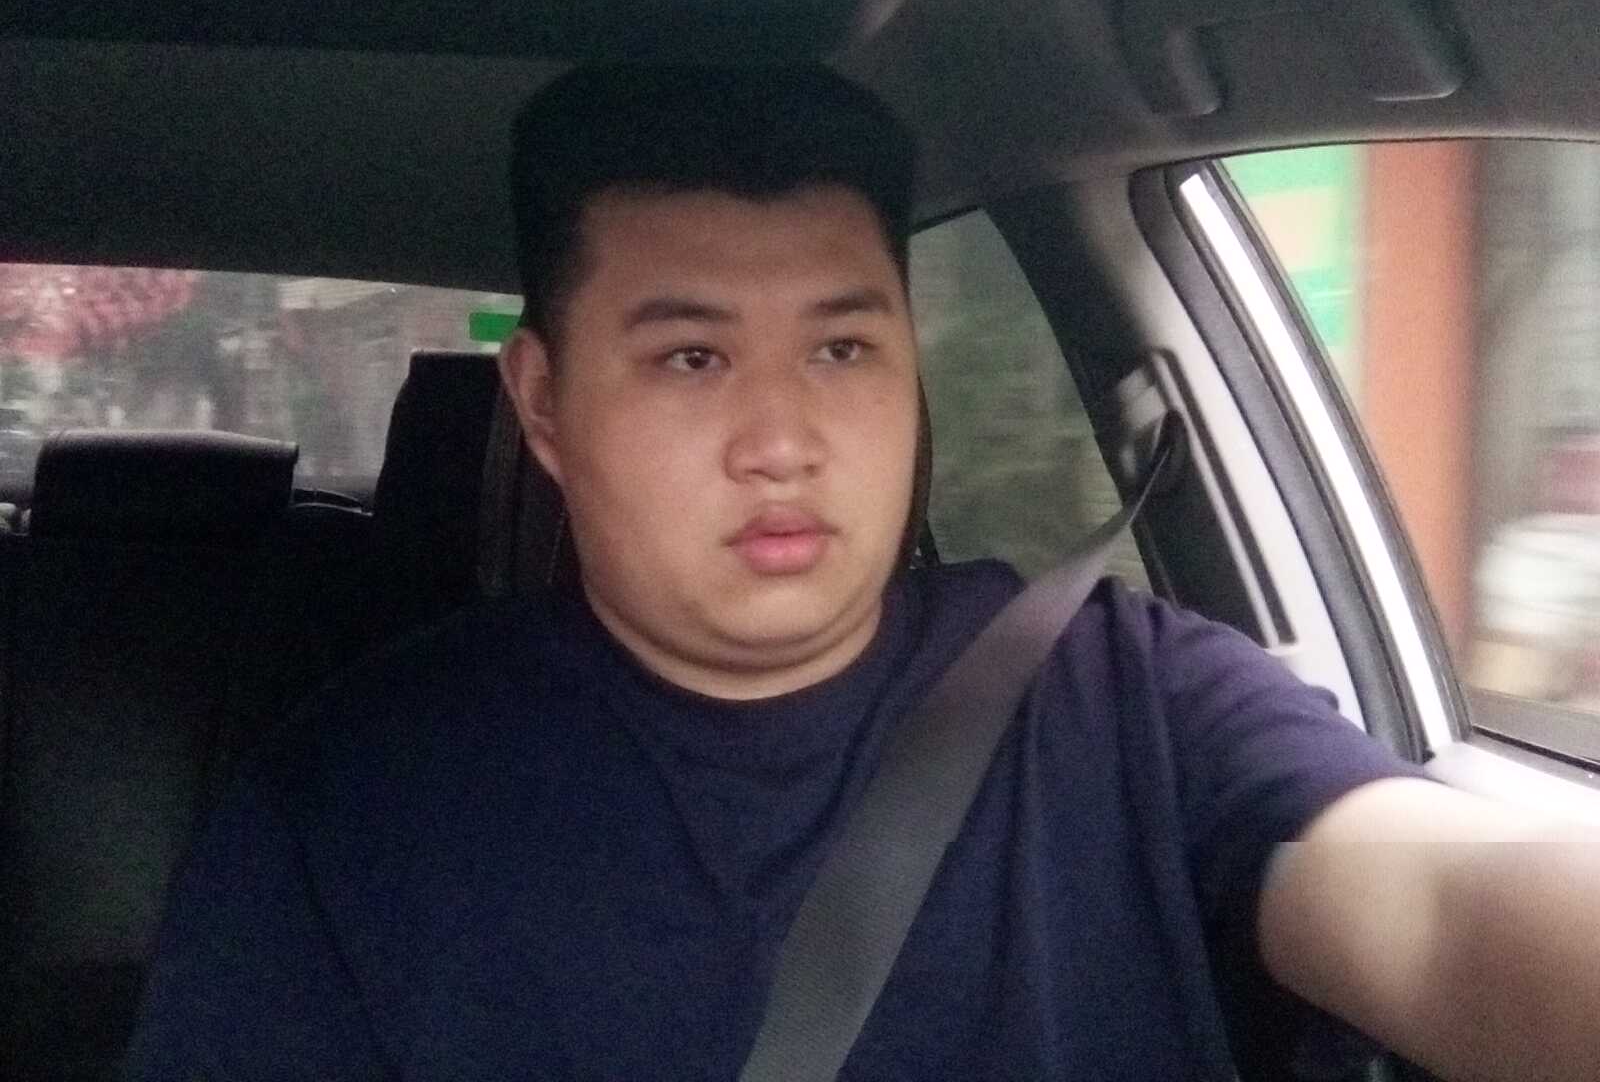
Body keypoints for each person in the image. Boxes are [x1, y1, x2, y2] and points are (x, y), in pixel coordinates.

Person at [125, 64, 1600, 1081]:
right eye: (691, 358)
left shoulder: (1129, 702)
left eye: (840, 348)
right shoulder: (347, 818)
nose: (783, 442)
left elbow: (1442, 913)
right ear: (546, 407)